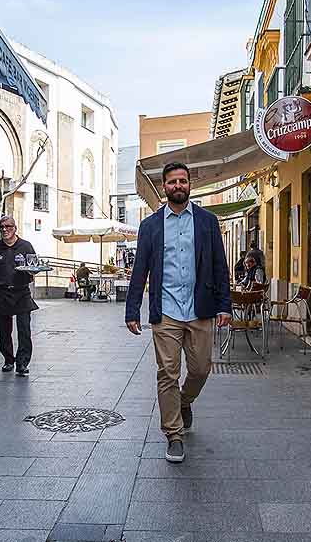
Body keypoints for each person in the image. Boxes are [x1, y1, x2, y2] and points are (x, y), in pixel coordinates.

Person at [126, 162, 231, 463]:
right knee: (168, 372)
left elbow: (219, 265)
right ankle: (173, 434)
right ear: (164, 187)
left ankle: (184, 402)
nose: (178, 186)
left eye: (182, 181)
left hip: (200, 308)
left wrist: (224, 304)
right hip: (167, 311)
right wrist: (132, 309)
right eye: (172, 182)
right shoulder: (151, 226)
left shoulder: (207, 221)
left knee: (200, 369)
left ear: (189, 185)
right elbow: (140, 269)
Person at [0, 215, 39, 376]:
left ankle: (22, 363)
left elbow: (34, 267)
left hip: (22, 292)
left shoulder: (26, 246)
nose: (5, 230)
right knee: (4, 331)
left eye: (8, 226)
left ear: (15, 228)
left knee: (24, 330)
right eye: (2, 227)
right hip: (3, 292)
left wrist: (32, 272)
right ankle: (8, 360)